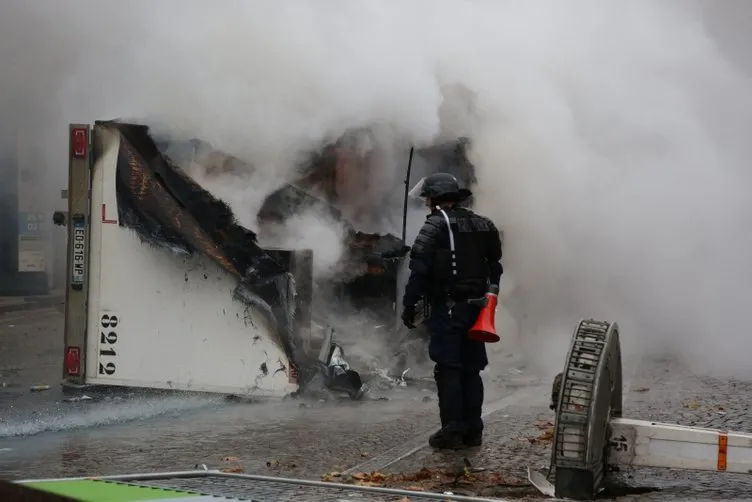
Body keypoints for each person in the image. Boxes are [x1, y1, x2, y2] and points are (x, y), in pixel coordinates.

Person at [401, 172, 503, 449]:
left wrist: (409, 305)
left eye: (427, 198)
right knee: (471, 369)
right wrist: (490, 297)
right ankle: (474, 429)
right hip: (477, 308)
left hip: (448, 309)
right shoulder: (484, 224)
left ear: (434, 198)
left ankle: (452, 430)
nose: (425, 203)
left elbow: (419, 271)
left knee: (448, 369)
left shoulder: (435, 225)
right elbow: (495, 266)